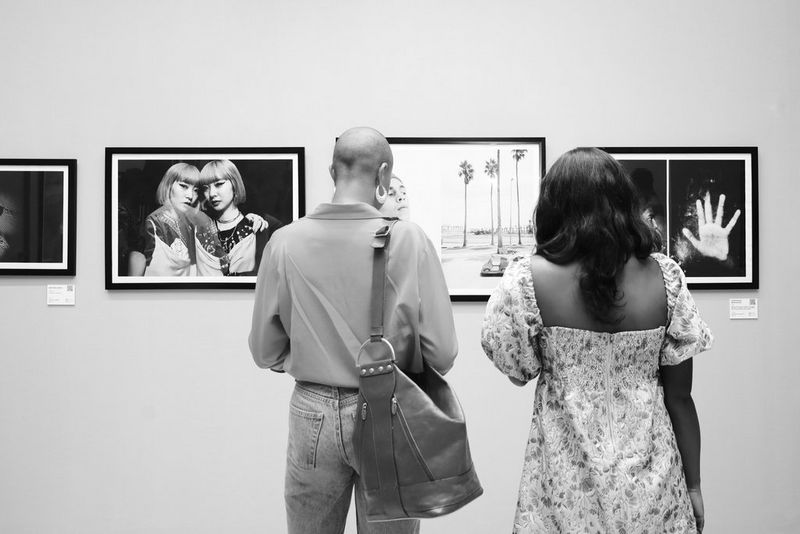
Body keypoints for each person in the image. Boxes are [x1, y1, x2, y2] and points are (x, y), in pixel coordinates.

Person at [481, 147, 711, 533]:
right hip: (652, 490)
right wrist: (694, 485)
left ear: (554, 206)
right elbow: (680, 398)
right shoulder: (665, 279)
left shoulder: (527, 279)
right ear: (623, 202)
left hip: (562, 490)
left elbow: (518, 372)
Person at [249, 127, 458, 534]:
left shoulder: (284, 242)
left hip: (312, 415)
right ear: (383, 176)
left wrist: (305, 355)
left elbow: (264, 351)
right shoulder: (409, 240)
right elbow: (443, 353)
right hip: (391, 410)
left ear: (332, 170)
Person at [128, 163, 224, 277]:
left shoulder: (202, 219)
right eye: (183, 186)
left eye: (196, 190)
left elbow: (220, 261)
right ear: (169, 185)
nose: (190, 195)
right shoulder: (155, 221)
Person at [199, 159, 282, 276]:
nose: (212, 193)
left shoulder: (260, 226)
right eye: (206, 188)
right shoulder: (202, 230)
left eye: (219, 184)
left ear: (234, 184)